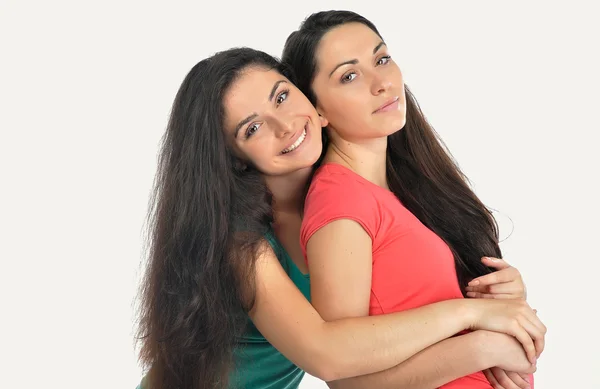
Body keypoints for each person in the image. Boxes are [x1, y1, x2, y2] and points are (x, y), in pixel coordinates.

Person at [136, 47, 544, 389]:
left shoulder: (349, 195)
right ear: (233, 159)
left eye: (281, 97)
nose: (284, 125)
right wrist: (474, 324)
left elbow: (405, 306)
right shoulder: (240, 244)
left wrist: (501, 295)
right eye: (253, 128)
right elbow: (329, 357)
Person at [282, 10, 545, 389]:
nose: (381, 83)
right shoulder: (340, 202)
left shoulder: (409, 186)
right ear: (316, 108)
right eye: (349, 75)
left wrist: (505, 300)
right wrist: (481, 346)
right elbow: (348, 381)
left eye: (382, 59)